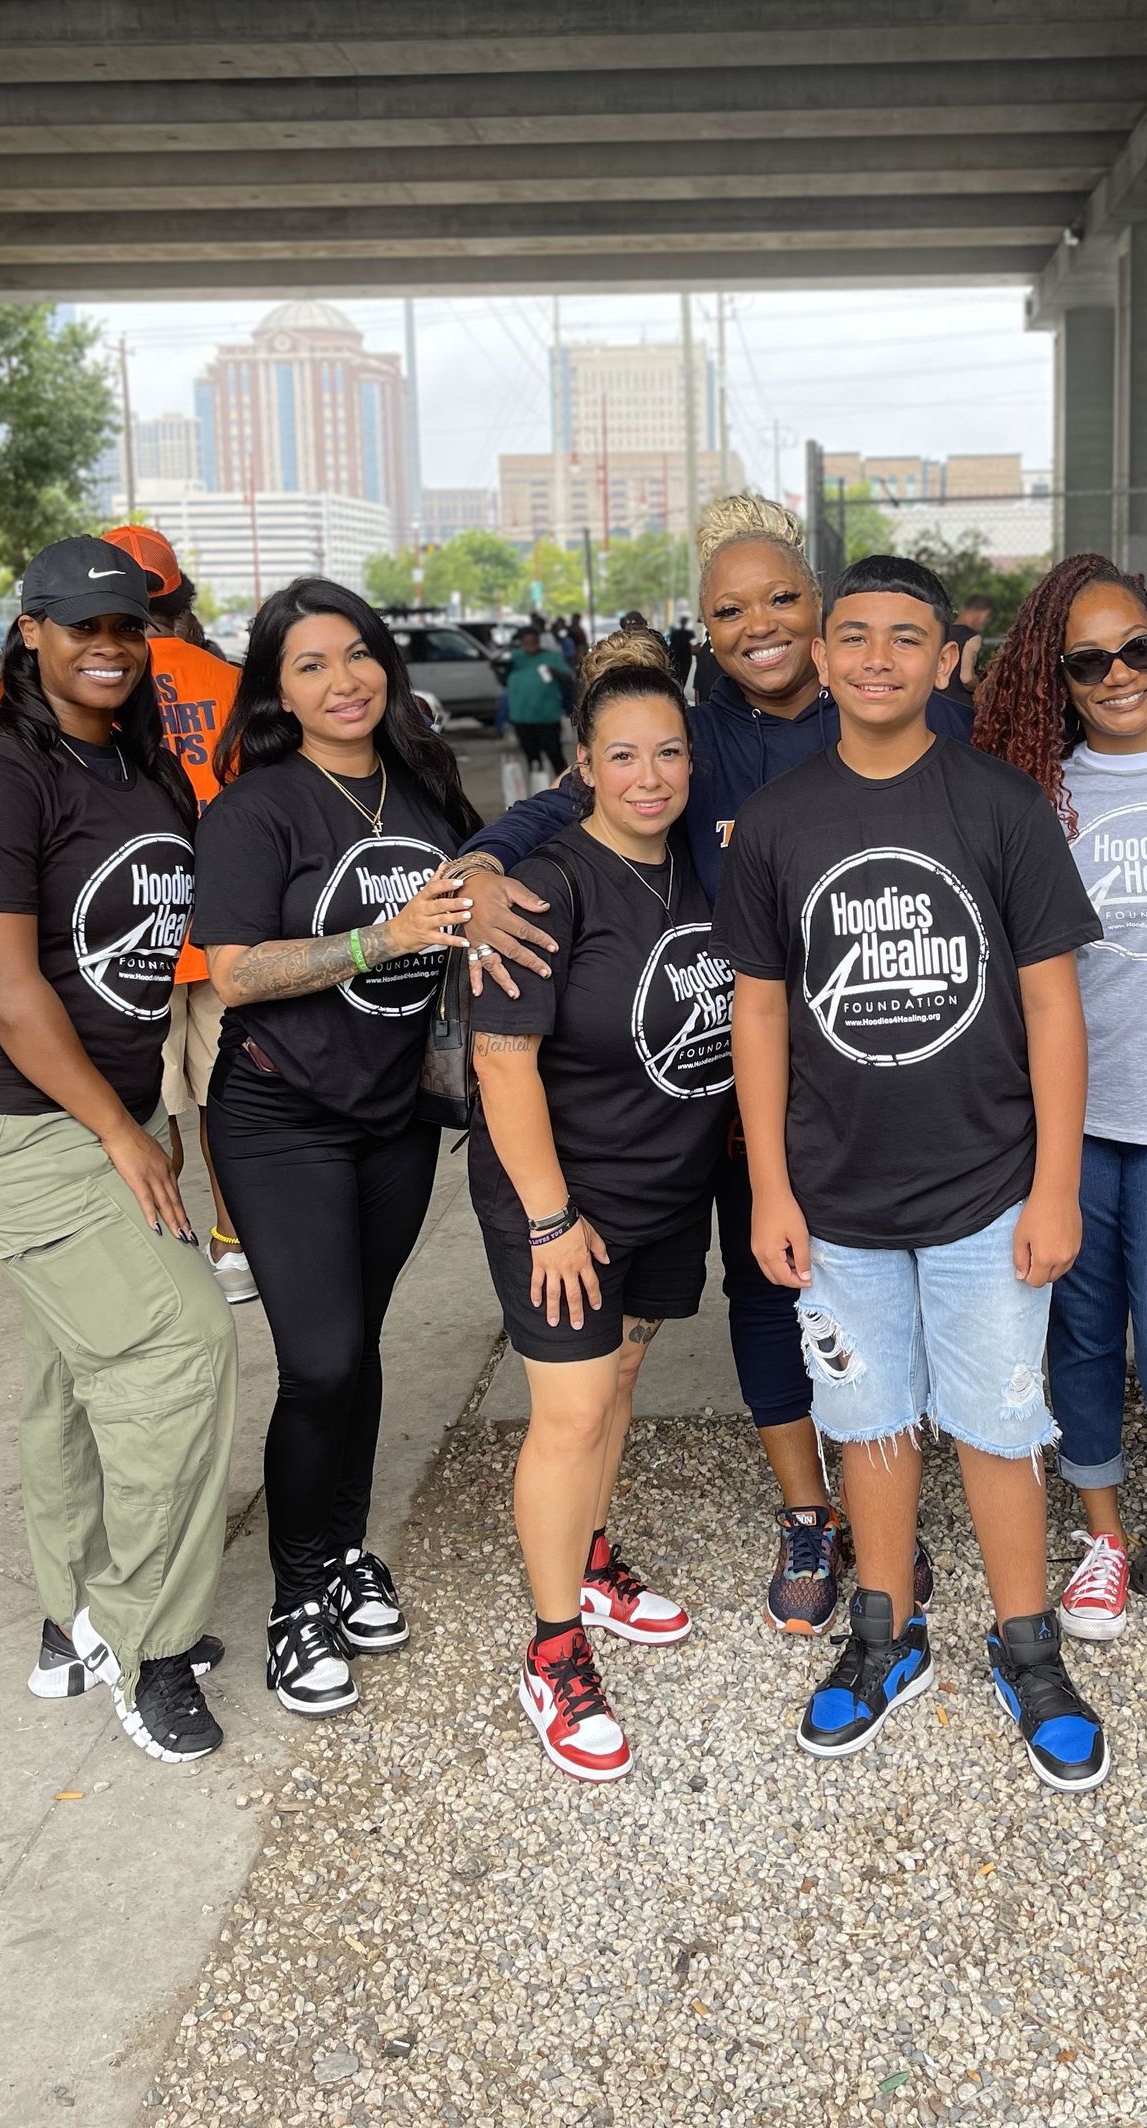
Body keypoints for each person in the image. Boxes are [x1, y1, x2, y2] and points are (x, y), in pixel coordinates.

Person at [459, 495, 976, 1634]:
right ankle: (808, 1512)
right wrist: (484, 866)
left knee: (887, 1288)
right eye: (730, 608)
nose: (762, 623)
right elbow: (570, 800)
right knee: (768, 1288)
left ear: (823, 606)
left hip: (887, 1064)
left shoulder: (888, 700)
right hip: (741, 1086)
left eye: (784, 597)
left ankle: (886, 1510)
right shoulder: (692, 734)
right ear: (704, 627)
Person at [715, 554, 1112, 1793]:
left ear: (949, 661)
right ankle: (883, 1635)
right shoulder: (780, 821)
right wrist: (772, 1188)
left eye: (906, 636)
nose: (877, 656)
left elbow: (1054, 1009)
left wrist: (1055, 1185)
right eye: (853, 635)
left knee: (999, 1424)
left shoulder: (998, 806)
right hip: (835, 1199)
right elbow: (762, 1016)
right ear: (822, 658)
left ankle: (1027, 1643)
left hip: (987, 1186)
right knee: (868, 1420)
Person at [0, 536, 234, 1764]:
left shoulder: (147, 773)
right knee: (177, 1344)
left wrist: (145, 1124)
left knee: (77, 1364)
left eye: (127, 628)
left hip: (105, 1109)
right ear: (28, 632)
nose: (107, 645)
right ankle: (147, 1645)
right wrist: (119, 1134)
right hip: (5, 1120)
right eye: (81, 626)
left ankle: (72, 1612)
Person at [195, 580, 480, 1718]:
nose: (343, 680)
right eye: (311, 665)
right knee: (316, 1360)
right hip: (280, 1115)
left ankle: (346, 1545)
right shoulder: (257, 807)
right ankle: (296, 1596)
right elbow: (234, 971)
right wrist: (382, 936)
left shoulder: (421, 787)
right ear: (276, 688)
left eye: (357, 655)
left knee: (355, 1347)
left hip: (392, 1114)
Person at [974, 555, 1147, 1677]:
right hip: (1076, 1117)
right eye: (1087, 660)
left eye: (1137, 648)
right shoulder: (1040, 785)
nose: (1118, 673)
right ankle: (1100, 1537)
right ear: (1060, 677)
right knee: (1083, 1339)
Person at [469, 634, 734, 1781]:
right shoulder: (543, 888)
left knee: (618, 1382)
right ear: (581, 764)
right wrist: (546, 1218)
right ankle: (554, 1646)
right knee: (570, 1412)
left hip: (666, 1186)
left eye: (667, 751)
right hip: (562, 1202)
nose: (649, 775)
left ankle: (584, 1554)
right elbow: (501, 1066)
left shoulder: (696, 870)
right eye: (622, 754)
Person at [102, 525, 254, 1307]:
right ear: (179, 598)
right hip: (222, 927)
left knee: (143, 1105)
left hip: (127, 935)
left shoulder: (88, 685)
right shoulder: (224, 681)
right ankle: (233, 1248)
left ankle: (161, 1245)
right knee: (227, 1099)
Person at [503, 623, 572, 779]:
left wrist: (555, 672)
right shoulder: (514, 658)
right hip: (521, 717)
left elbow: (568, 678)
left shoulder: (551, 657)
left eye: (534, 642)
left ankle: (565, 789)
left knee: (555, 755)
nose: (530, 647)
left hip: (547, 717)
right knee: (532, 758)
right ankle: (538, 789)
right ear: (521, 643)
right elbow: (502, 678)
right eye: (526, 643)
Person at [947, 594, 994, 698]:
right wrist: (980, 686)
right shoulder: (972, 637)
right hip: (957, 704)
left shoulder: (942, 631)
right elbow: (966, 678)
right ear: (982, 613)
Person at [667, 614, 696, 688]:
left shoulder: (674, 631)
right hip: (684, 659)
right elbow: (693, 645)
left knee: (676, 676)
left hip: (676, 658)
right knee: (683, 677)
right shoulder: (688, 632)